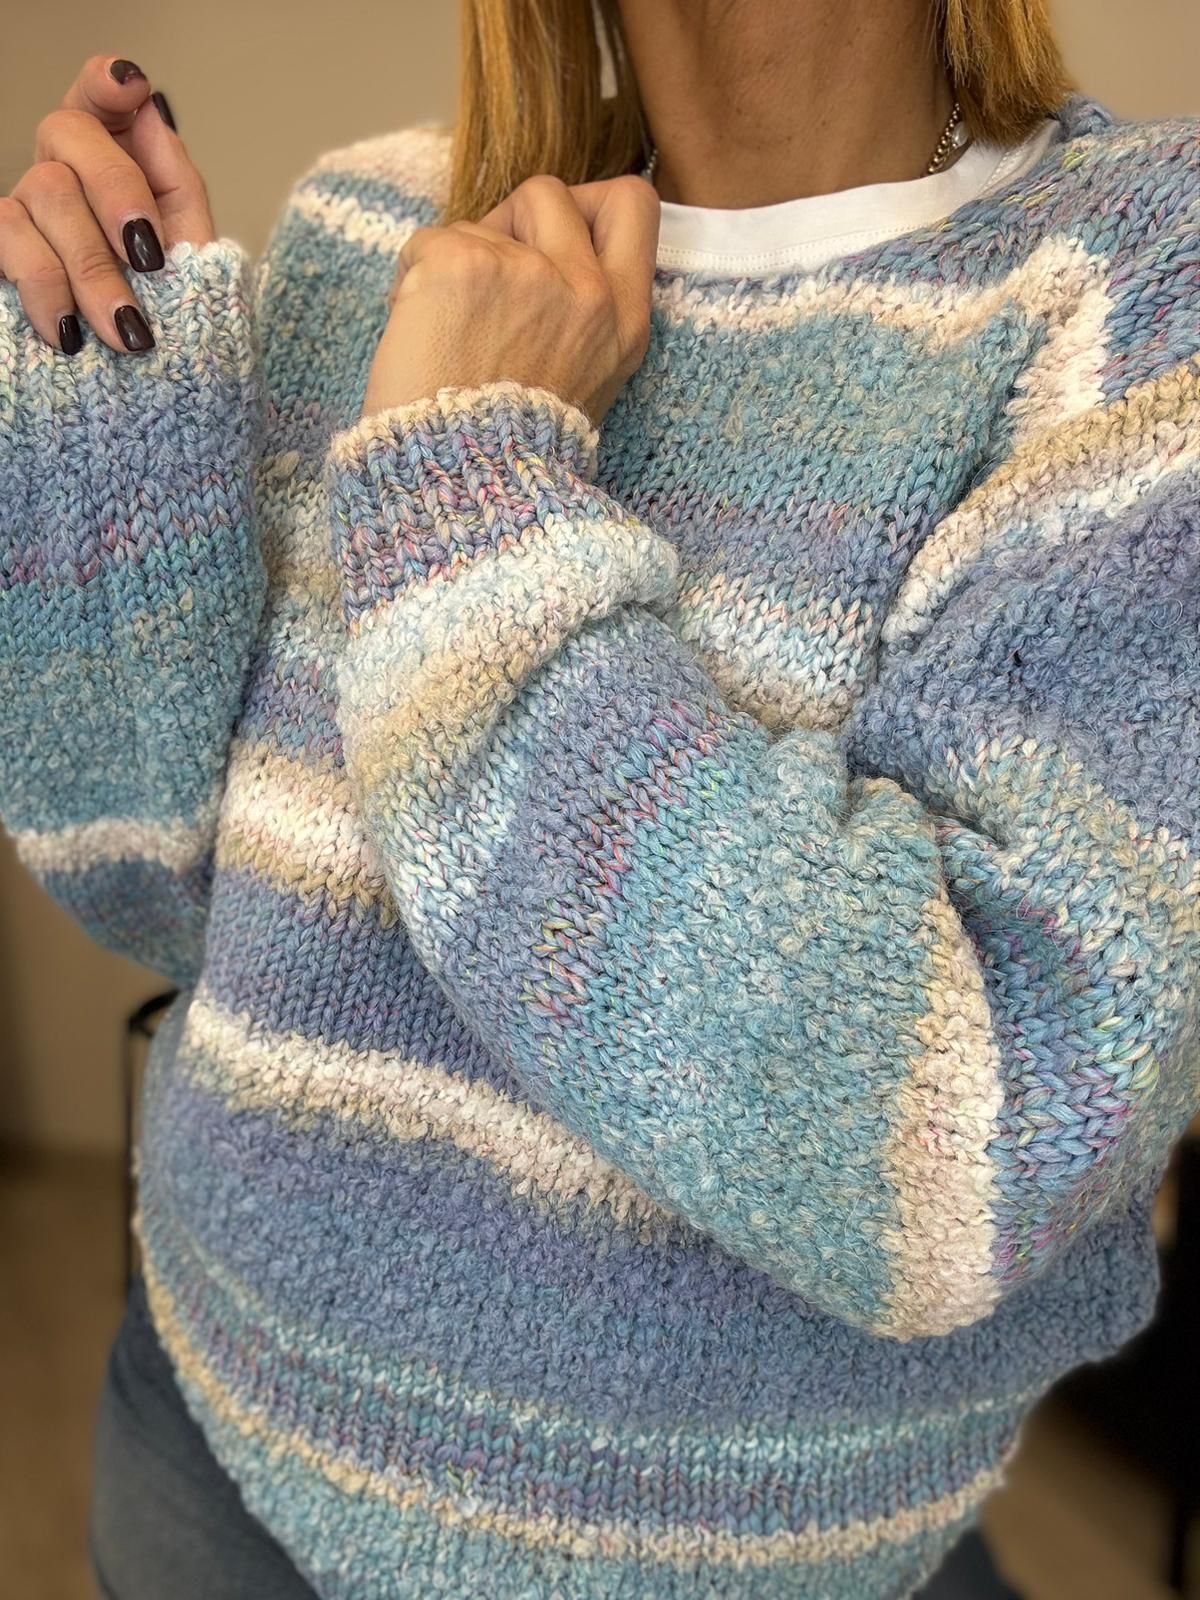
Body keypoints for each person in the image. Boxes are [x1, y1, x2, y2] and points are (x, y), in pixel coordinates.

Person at [0, 1, 1196, 1596]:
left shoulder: (1137, 292)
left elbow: (964, 1141)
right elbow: (158, 891)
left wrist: (469, 490)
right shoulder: (378, 227)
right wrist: (113, 425)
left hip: (744, 1554)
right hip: (199, 1443)